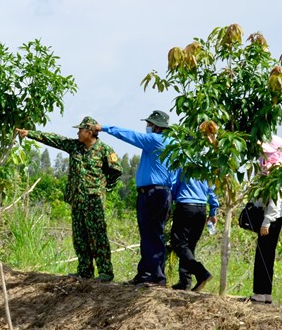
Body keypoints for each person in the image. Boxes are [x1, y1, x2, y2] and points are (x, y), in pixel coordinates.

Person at [16, 116, 122, 281]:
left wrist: (104, 187)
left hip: (94, 202)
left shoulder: (104, 150)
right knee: (80, 237)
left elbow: (116, 170)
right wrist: (30, 133)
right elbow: (54, 139)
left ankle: (105, 273)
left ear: (90, 132)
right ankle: (85, 271)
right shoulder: (74, 147)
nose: (78, 133)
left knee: (98, 237)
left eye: (81, 130)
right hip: (77, 200)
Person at [99, 110, 175, 286]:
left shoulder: (156, 140)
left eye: (149, 124)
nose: (147, 127)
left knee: (154, 233)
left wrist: (104, 128)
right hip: (155, 193)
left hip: (154, 193)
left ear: (156, 127)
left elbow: (129, 135)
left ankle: (156, 277)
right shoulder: (168, 144)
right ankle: (145, 273)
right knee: (148, 233)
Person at [246, 136, 282, 304]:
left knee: (263, 255)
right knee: (267, 255)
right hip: (273, 217)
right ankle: (265, 293)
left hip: (271, 217)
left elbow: (275, 199)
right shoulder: (268, 169)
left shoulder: (275, 170)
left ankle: (260, 292)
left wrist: (266, 221)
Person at [169, 174, 219, 292]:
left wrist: (171, 201)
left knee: (178, 243)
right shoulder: (205, 165)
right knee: (189, 247)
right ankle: (185, 282)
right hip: (201, 208)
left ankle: (201, 273)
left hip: (185, 206)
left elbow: (174, 183)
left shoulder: (182, 161)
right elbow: (211, 189)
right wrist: (213, 210)